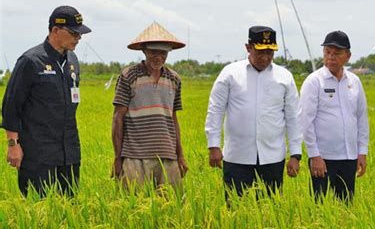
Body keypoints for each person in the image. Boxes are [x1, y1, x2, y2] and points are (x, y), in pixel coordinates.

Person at [2, 5, 91, 197]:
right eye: (74, 33)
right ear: (55, 30)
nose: (78, 38)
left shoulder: (73, 61)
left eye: (80, 34)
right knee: (39, 210)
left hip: (69, 153)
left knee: (69, 210)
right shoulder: (31, 61)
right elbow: (11, 106)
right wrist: (12, 145)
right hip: (38, 154)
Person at [205, 26, 302, 199]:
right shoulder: (230, 74)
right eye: (260, 52)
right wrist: (214, 146)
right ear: (248, 48)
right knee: (235, 207)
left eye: (270, 53)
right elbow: (215, 110)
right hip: (237, 156)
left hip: (272, 157)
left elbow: (293, 117)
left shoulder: (285, 77)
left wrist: (295, 155)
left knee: (271, 209)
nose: (265, 58)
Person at [112, 22, 188, 193]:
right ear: (144, 51)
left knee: (172, 207)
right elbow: (118, 118)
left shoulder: (174, 79)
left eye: (163, 53)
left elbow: (173, 119)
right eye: (154, 52)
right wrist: (118, 158)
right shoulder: (129, 75)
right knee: (131, 207)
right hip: (135, 156)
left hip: (167, 155)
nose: (158, 57)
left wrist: (180, 155)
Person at [299, 31, 369, 202]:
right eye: (327, 52)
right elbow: (305, 121)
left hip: (349, 156)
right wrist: (314, 155)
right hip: (323, 158)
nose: (331, 57)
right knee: (319, 205)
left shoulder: (354, 82)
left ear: (348, 55)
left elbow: (361, 118)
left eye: (336, 53)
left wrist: (362, 152)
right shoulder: (314, 81)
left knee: (346, 204)